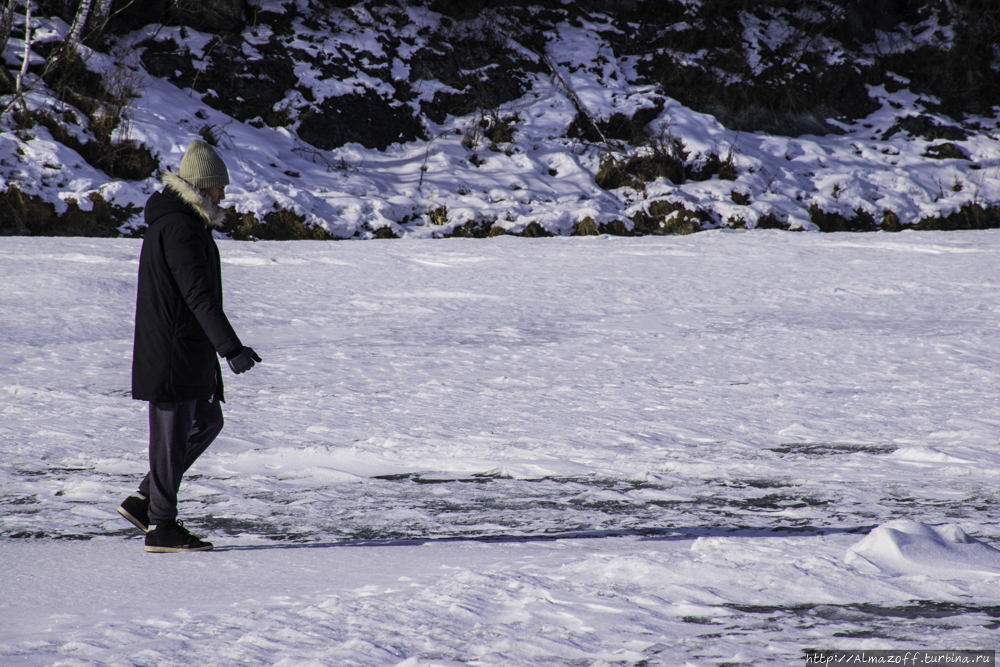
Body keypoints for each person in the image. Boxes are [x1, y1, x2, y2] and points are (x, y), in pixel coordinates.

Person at [119, 139, 261, 553]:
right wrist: (230, 348)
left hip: (181, 351)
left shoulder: (183, 222)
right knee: (171, 436)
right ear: (201, 186)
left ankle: (145, 500)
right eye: (218, 187)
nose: (223, 194)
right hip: (171, 355)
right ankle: (161, 525)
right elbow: (198, 295)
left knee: (206, 422)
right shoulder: (179, 228)